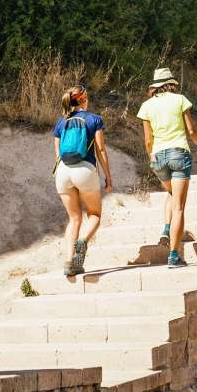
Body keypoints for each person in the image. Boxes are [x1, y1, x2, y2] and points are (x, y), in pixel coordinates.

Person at [136, 68, 197, 268]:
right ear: (171, 83)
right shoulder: (179, 100)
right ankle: (173, 256)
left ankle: (166, 229)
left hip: (158, 157)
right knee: (179, 206)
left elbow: (147, 140)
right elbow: (192, 130)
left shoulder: (146, 106)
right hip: (179, 153)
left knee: (171, 193)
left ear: (155, 85)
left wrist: (151, 157)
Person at [53, 85, 113, 277]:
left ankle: (69, 262)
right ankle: (84, 241)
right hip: (85, 170)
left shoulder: (62, 122)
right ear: (83, 100)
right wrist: (108, 178)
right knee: (94, 214)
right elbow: (101, 150)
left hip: (63, 171)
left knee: (74, 218)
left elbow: (57, 153)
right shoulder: (94, 119)